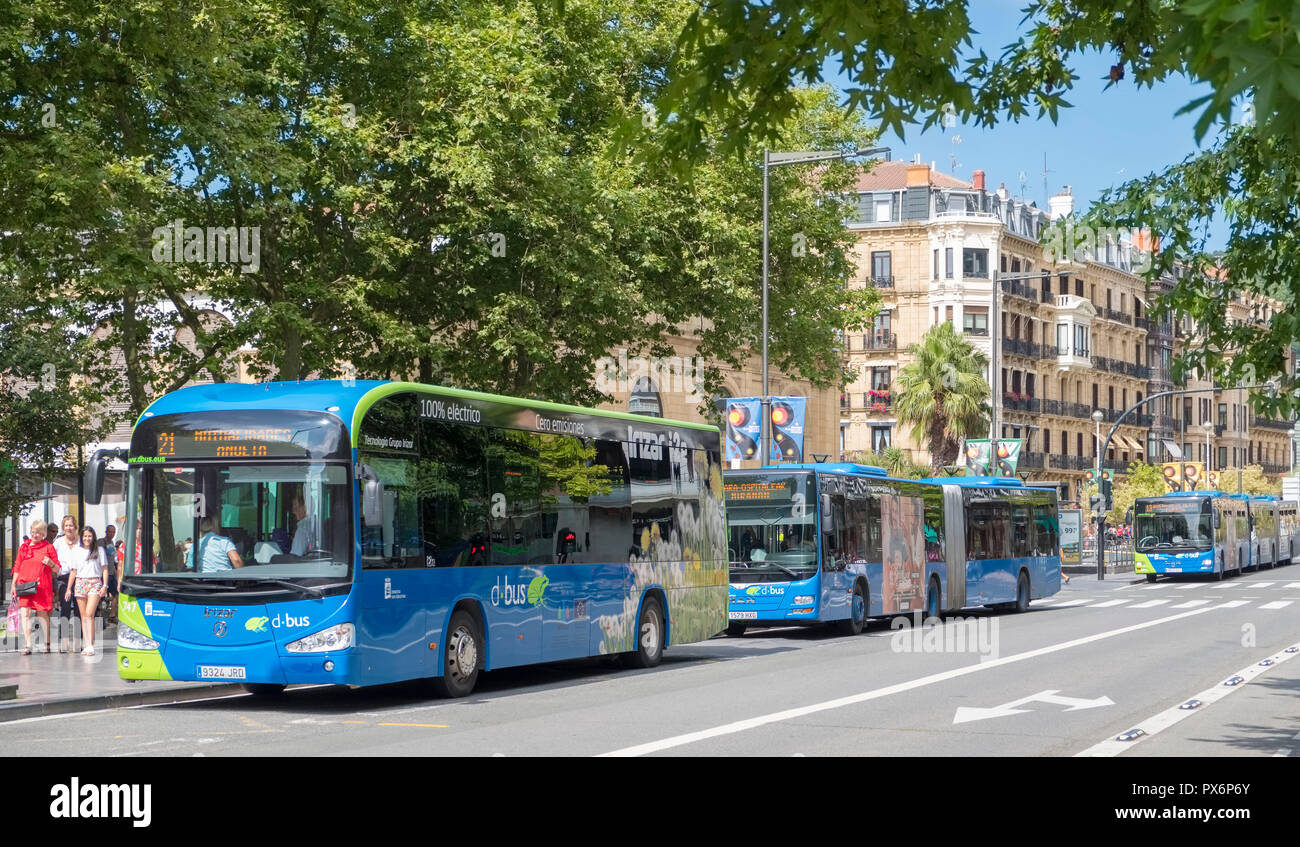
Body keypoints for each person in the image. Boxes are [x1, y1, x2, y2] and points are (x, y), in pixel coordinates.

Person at [10, 519, 59, 654]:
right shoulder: (24, 547)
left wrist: (50, 563)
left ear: (43, 534)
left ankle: (46, 643)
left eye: (37, 532)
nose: (34, 535)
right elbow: (17, 566)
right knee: (25, 614)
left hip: (41, 586)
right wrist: (13, 584)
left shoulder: (48, 548)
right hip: (24, 585)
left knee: (42, 613)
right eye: (32, 532)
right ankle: (28, 645)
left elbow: (57, 569)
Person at [68, 526, 108, 656]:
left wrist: (105, 586)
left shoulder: (99, 550)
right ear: (81, 537)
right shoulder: (76, 550)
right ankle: (87, 644)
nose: (87, 538)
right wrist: (69, 588)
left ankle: (91, 645)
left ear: (93, 537)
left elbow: (105, 569)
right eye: (85, 536)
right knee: (83, 615)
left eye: (89, 536)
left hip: (94, 582)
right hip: (80, 582)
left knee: (90, 613)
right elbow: (73, 571)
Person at [52, 515, 80, 652]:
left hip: (79, 577)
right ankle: (63, 641)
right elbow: (53, 560)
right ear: (63, 527)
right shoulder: (58, 542)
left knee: (80, 610)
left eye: (71, 525)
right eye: (66, 525)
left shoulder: (81, 541)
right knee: (65, 609)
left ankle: (78, 642)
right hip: (63, 578)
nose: (69, 528)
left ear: (75, 527)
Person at [289, 492, 320, 556]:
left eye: (296, 507)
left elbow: (295, 556)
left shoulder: (302, 529)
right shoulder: (317, 523)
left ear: (305, 507)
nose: (293, 511)